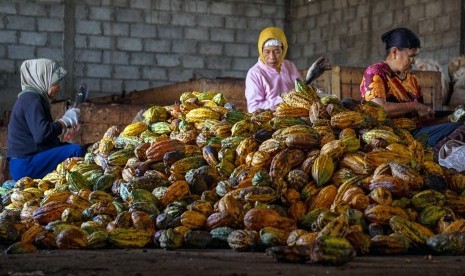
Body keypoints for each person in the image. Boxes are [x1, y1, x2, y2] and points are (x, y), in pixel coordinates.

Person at [360, 27, 465, 159]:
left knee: (457, 120)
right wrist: (414, 106)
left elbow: (420, 119)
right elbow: (379, 109)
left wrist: (446, 117)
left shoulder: (412, 79)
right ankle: (433, 154)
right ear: (394, 52)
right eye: (411, 56)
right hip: (395, 136)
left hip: (417, 130)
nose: (414, 61)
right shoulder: (375, 72)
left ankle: (437, 151)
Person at [7, 58, 86, 181]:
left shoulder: (31, 98)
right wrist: (64, 121)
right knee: (76, 151)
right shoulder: (32, 100)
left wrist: (65, 130)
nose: (58, 86)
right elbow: (42, 134)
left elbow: (44, 141)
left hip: (26, 162)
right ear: (43, 79)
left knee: (75, 147)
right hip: (25, 165)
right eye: (54, 82)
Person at [245, 26, 331, 113]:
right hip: (273, 121)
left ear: (283, 50)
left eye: (277, 51)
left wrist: (309, 78)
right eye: (267, 52)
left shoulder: (289, 65)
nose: (272, 57)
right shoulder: (255, 74)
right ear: (261, 51)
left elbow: (301, 93)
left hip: (296, 115)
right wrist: (285, 97)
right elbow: (253, 109)